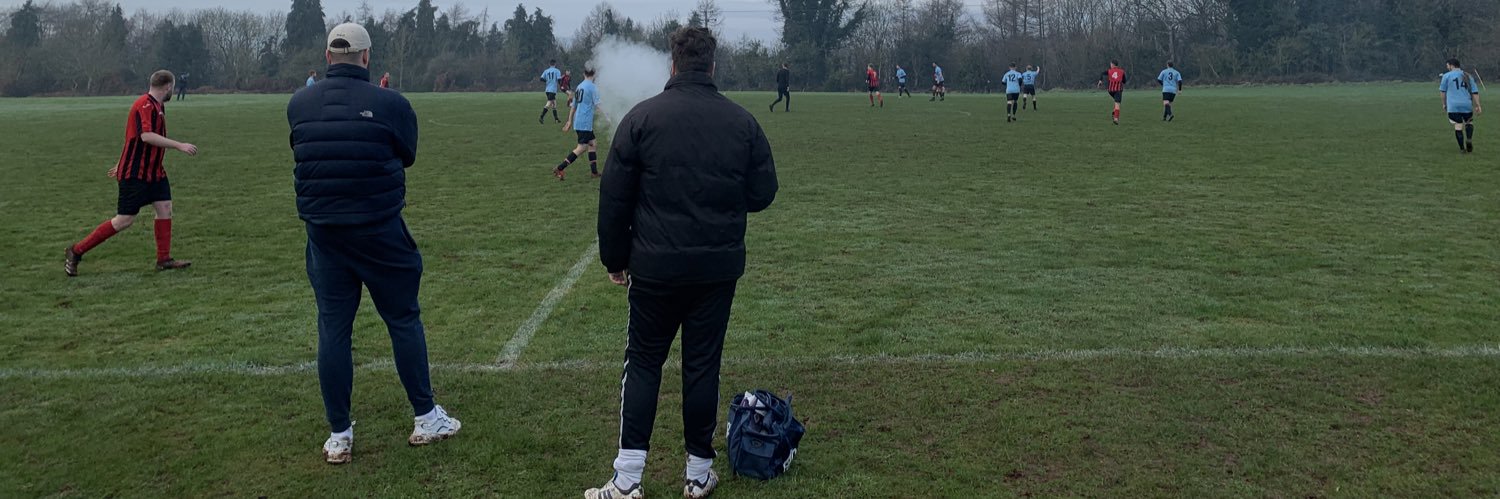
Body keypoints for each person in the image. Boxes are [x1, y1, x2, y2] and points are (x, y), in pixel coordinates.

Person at [590, 26, 779, 499]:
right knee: (702, 366)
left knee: (644, 363)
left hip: (654, 269)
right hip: (715, 271)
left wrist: (615, 259)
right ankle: (697, 474)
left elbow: (614, 199)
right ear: (712, 66)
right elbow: (762, 193)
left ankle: (629, 479)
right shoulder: (742, 122)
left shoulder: (642, 118)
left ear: (671, 65)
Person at [287, 22, 461, 466]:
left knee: (333, 329)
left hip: (324, 234)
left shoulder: (300, 103)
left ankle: (339, 434)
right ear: (367, 58)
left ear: (328, 57)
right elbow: (407, 153)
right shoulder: (391, 103)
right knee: (403, 319)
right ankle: (425, 416)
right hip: (380, 230)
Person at [64, 70, 197, 277]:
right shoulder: (145, 104)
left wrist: (120, 160)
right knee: (124, 220)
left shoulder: (158, 105)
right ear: (169, 86)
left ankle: (164, 259)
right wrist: (179, 145)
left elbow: (131, 138)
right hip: (135, 174)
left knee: (164, 208)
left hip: (154, 172)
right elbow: (145, 136)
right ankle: (76, 251)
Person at [555, 68, 602, 180]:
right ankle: (560, 168)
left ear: (583, 74)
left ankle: (594, 172)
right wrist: (608, 116)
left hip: (579, 121)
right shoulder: (592, 87)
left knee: (593, 144)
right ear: (594, 75)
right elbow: (598, 105)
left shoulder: (579, 86)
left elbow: (573, 106)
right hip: (585, 122)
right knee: (581, 147)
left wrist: (570, 120)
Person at [1440, 58, 1483, 153]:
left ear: (1451, 65)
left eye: (1447, 66)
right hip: (1466, 105)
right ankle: (1469, 138)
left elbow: (1443, 92)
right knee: (1469, 122)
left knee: (1458, 126)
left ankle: (1462, 149)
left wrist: (1444, 104)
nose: (1447, 68)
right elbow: (1474, 92)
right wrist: (1478, 105)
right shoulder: (1467, 75)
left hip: (1453, 106)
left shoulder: (1446, 76)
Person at [1097, 60, 1127, 124]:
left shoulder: (1109, 71)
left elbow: (1102, 73)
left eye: (1110, 64)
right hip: (1118, 90)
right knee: (1117, 104)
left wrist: (1100, 81)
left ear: (1113, 65)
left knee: (1117, 103)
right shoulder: (1122, 71)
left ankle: (1114, 112)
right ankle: (1115, 118)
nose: (1110, 65)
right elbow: (1124, 81)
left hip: (1110, 90)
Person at [539, 60, 563, 124]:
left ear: (549, 64)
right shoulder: (557, 71)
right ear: (555, 64)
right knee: (549, 103)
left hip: (547, 90)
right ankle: (541, 116)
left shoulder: (546, 71)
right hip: (552, 90)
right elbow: (559, 80)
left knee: (554, 104)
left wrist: (547, 81)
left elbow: (541, 78)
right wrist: (561, 85)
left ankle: (556, 119)